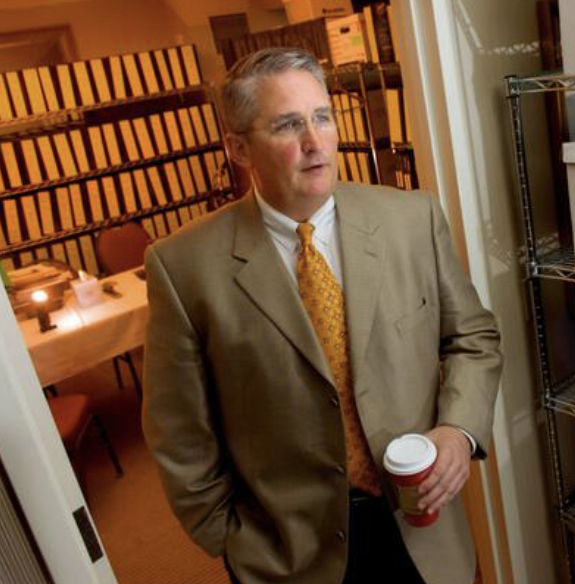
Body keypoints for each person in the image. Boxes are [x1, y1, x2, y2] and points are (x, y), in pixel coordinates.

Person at [142, 47, 502, 584]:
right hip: (290, 556)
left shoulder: (412, 219)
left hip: (424, 530)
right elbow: (179, 433)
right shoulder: (182, 266)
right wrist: (227, 537)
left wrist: (457, 429)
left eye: (323, 117)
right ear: (239, 148)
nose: (316, 144)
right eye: (288, 126)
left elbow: (473, 337)